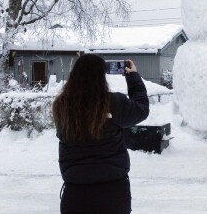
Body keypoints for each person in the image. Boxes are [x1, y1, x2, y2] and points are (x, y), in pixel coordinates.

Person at [53, 54, 149, 214]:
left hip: (75, 192)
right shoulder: (114, 103)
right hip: (113, 191)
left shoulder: (61, 106)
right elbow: (141, 109)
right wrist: (132, 77)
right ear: (101, 76)